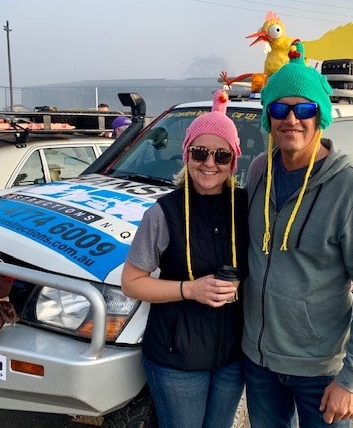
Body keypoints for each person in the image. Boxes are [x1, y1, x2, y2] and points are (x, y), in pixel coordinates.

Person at [242, 41, 353, 427]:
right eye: (279, 108)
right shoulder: (261, 170)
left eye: (304, 109)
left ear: (320, 115)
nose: (291, 119)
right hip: (259, 364)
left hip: (321, 371)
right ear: (268, 117)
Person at [121, 89, 248, 428]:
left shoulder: (246, 207)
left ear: (233, 161)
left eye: (222, 156)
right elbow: (131, 283)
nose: (210, 163)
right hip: (177, 359)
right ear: (186, 154)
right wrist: (189, 290)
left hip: (232, 357)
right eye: (200, 152)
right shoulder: (163, 213)